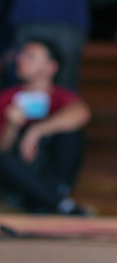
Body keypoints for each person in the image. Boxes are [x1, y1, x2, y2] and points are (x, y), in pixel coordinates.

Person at [0, 39, 91, 215]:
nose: (21, 59)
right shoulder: (6, 98)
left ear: (51, 67)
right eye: (21, 55)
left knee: (72, 132)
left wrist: (36, 131)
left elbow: (82, 114)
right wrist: (11, 125)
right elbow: (3, 151)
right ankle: (58, 204)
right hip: (21, 174)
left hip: (53, 174)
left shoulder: (61, 96)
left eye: (30, 56)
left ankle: (51, 199)